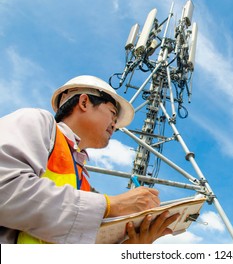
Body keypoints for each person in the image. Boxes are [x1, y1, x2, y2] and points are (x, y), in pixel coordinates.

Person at [0, 75, 178, 244]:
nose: (115, 125)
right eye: (112, 113)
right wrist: (110, 205)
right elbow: (5, 190)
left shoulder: (81, 178)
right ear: (84, 102)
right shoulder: (36, 121)